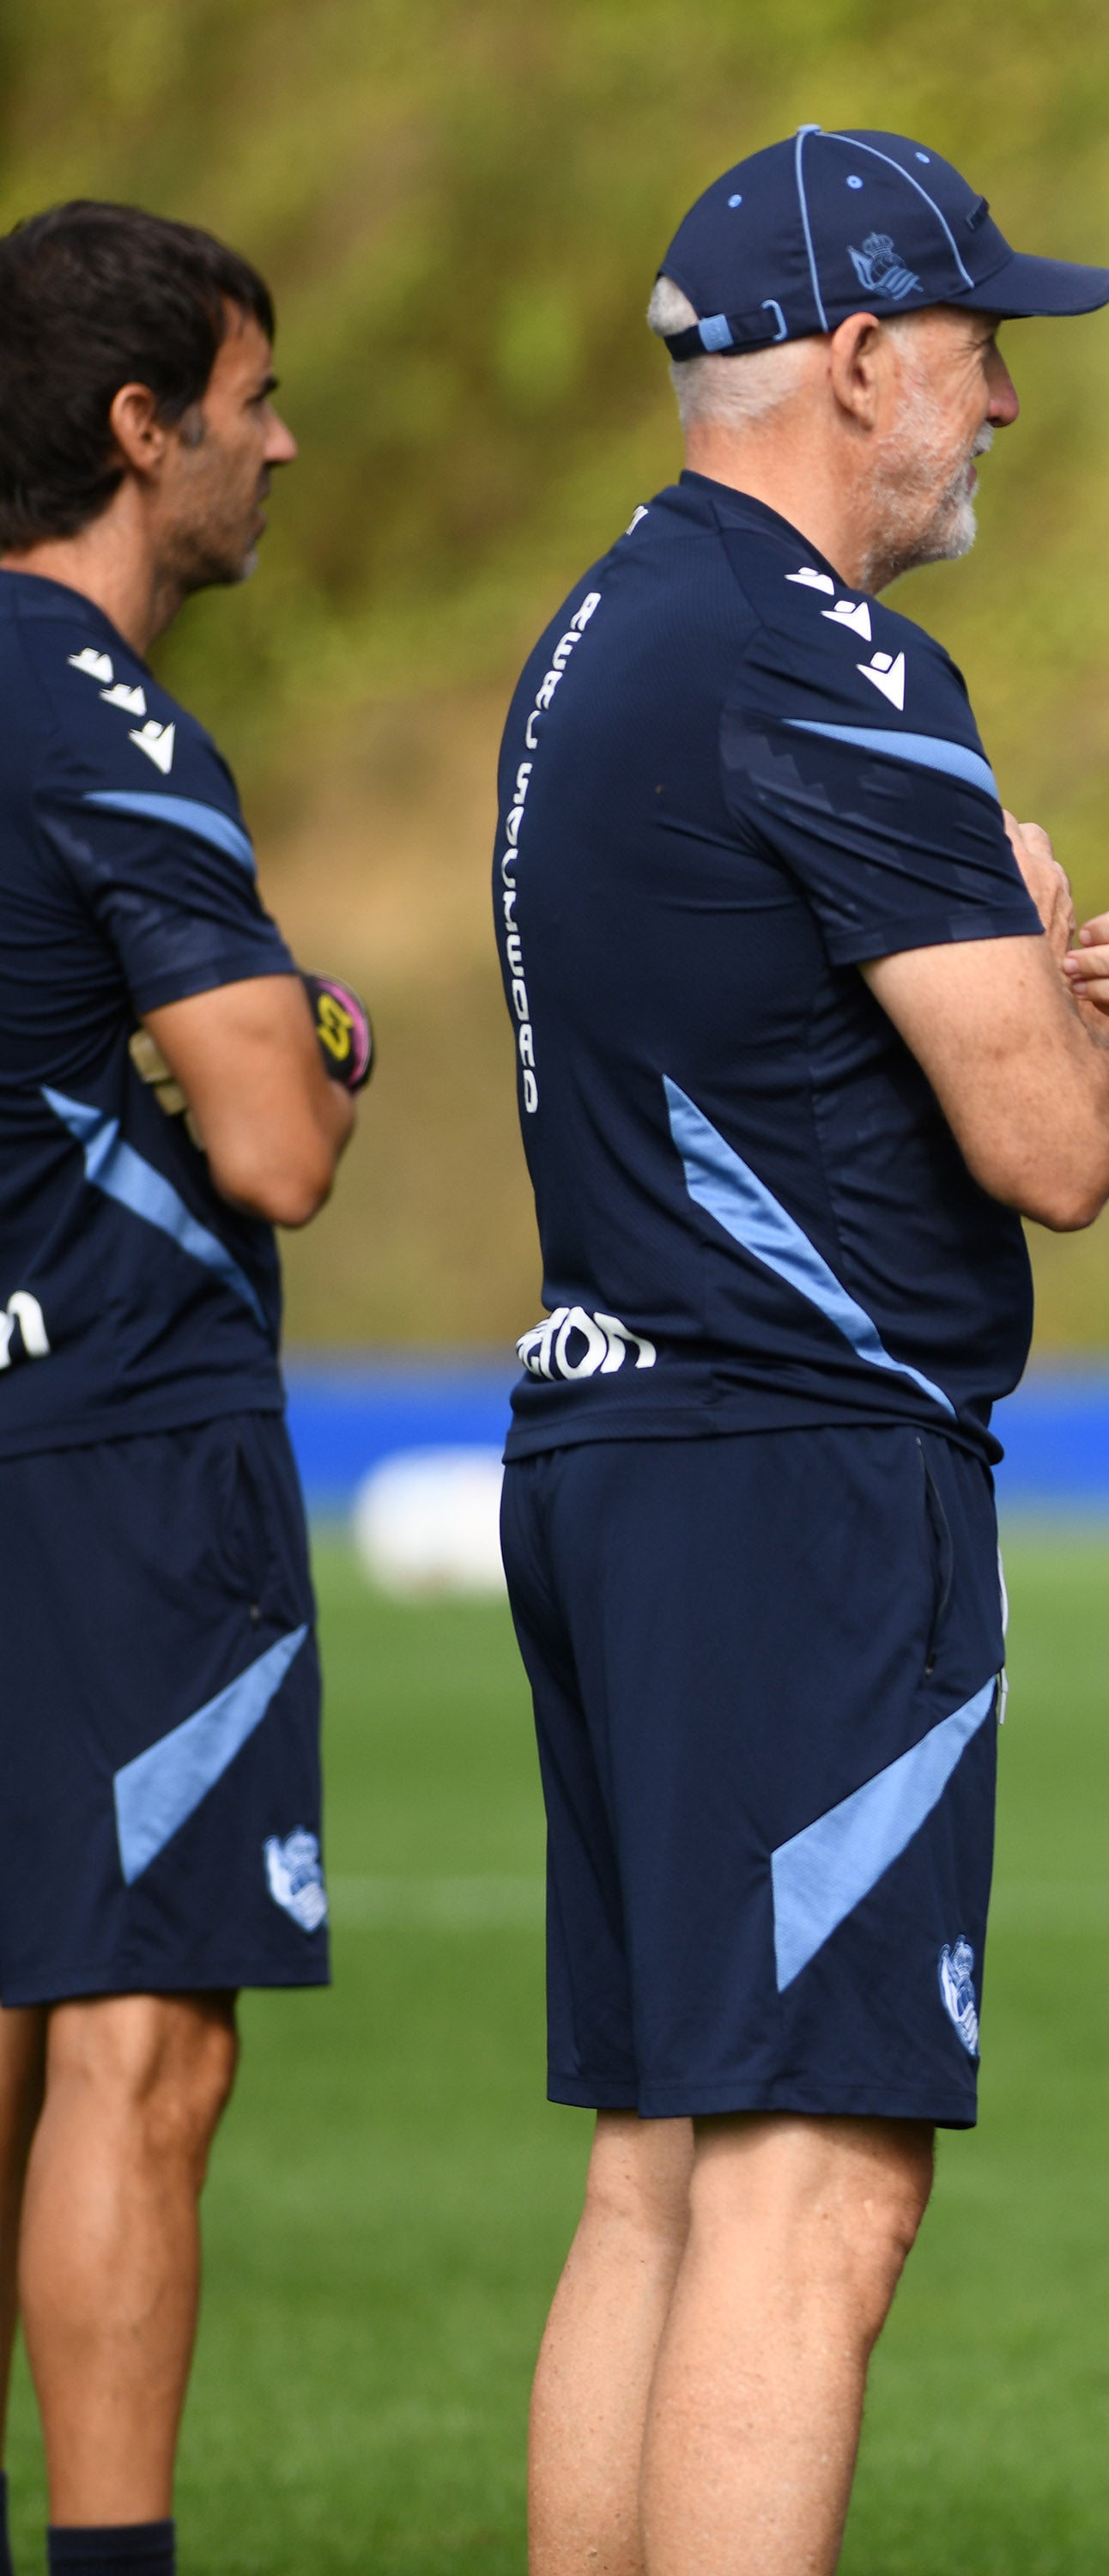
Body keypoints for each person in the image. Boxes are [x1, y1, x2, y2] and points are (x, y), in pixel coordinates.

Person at [490, 129, 1109, 2573]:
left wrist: (1017, 965)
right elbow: (1048, 1144)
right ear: (859, 360)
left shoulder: (601, 625)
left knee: (659, 2179)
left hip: (610, 1443)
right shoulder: (832, 659)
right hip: (798, 1483)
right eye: (983, 349)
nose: (1002, 406)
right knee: (815, 2203)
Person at [0, 198, 355, 2576]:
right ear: (143, 430)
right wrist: (324, 1026)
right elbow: (278, 1145)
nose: (279, 442)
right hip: (116, 1447)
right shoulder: (106, 713)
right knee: (136, 2047)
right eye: (248, 402)